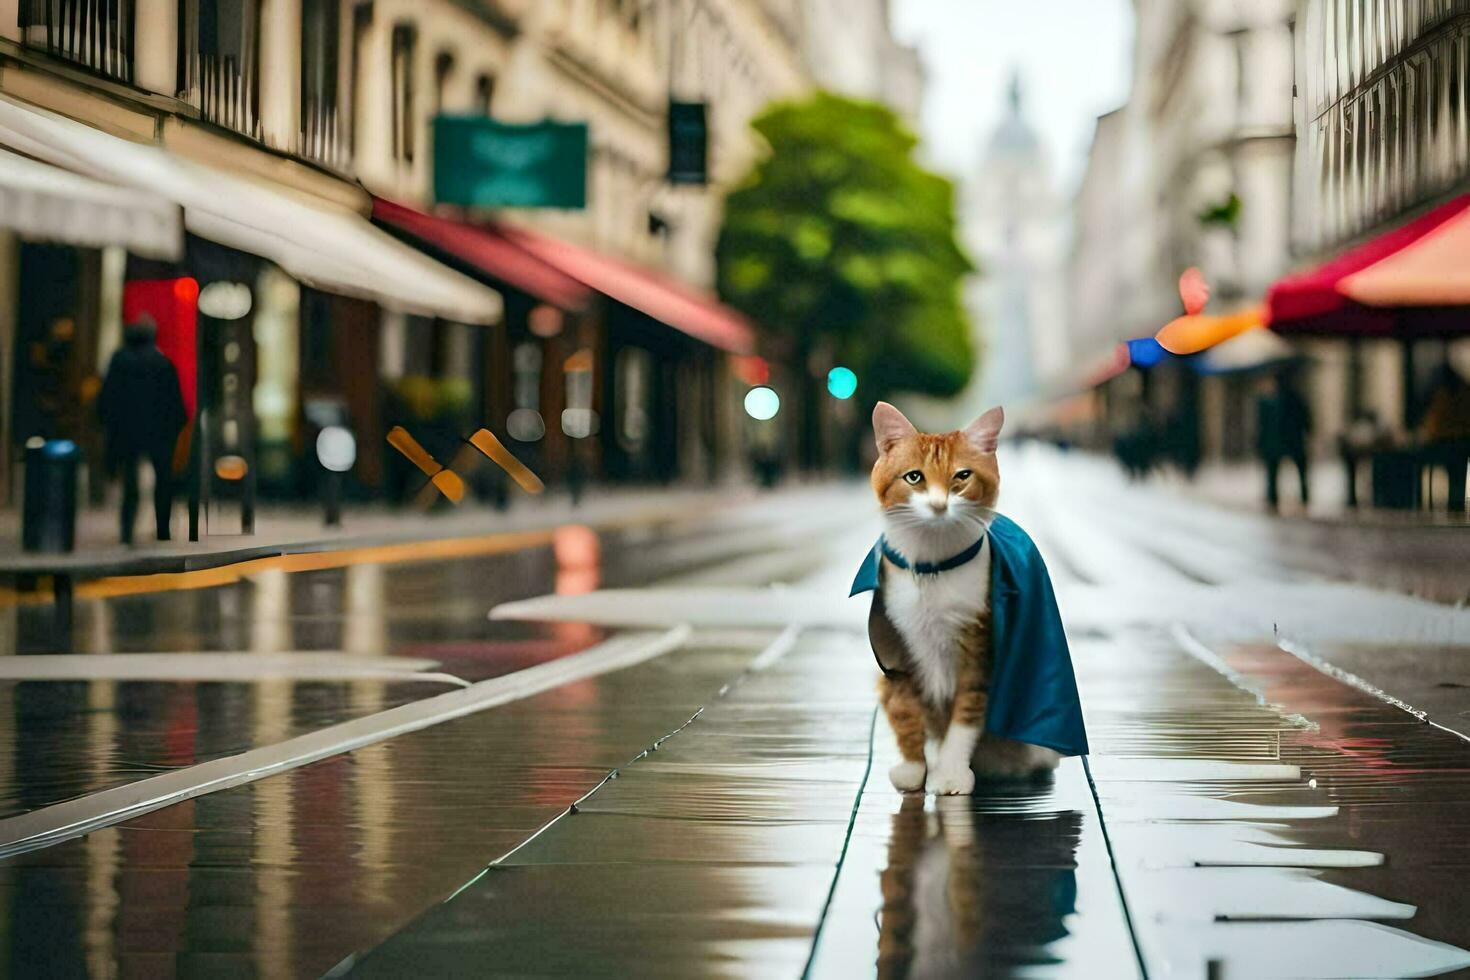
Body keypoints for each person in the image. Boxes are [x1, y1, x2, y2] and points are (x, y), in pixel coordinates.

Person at [98, 316, 187, 544]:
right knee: (163, 481)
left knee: (130, 483)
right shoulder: (163, 364)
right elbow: (176, 405)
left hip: (128, 432)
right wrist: (174, 429)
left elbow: (107, 400)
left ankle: (127, 531)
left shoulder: (120, 362)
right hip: (159, 433)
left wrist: (107, 427)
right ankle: (162, 529)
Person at [1255, 369, 1312, 512]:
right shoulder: (1291, 400)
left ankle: (1274, 499)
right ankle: (1297, 498)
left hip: (1284, 441)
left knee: (1275, 471)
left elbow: (1265, 425)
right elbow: (1306, 420)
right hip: (1290, 441)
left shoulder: (1272, 401)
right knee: (1290, 470)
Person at [1417, 363, 1470, 512]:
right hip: (1460, 443)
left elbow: (1432, 425)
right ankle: (1456, 506)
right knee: (1457, 478)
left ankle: (1454, 505)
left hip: (1444, 443)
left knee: (1456, 476)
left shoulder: (1440, 395)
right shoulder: (1463, 393)